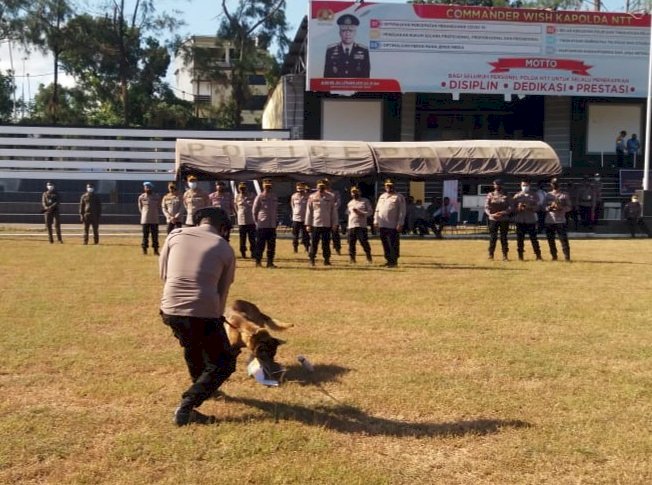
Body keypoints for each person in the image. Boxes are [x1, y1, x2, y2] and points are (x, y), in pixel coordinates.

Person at [159, 207, 236, 426]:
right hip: (203, 311)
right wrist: (217, 316)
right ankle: (188, 406)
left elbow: (163, 273)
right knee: (223, 363)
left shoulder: (175, 236)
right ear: (223, 228)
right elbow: (223, 289)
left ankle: (200, 385)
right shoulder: (224, 247)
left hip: (170, 309)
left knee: (192, 346)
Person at [323, 13, 370, 78]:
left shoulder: (363, 50)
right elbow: (326, 76)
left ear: (355, 33)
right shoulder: (330, 50)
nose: (347, 34)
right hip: (336, 87)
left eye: (351, 31)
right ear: (339, 33)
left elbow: (366, 76)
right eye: (344, 31)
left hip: (357, 87)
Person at [374, 178, 406, 268]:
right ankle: (388, 260)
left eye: (391, 185)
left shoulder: (399, 197)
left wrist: (400, 223)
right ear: (385, 186)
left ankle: (394, 261)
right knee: (385, 243)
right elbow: (377, 209)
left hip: (393, 225)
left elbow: (402, 211)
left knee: (393, 243)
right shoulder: (382, 196)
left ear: (394, 186)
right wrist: (375, 220)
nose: (389, 187)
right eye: (387, 186)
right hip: (382, 224)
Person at [305, 179, 338, 266]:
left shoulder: (331, 197)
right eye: (319, 187)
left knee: (326, 243)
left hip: (326, 223)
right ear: (317, 187)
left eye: (323, 187)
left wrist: (335, 223)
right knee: (314, 243)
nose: (321, 188)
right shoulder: (312, 197)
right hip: (315, 223)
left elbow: (333, 211)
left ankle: (326, 260)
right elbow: (309, 211)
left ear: (326, 187)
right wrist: (308, 224)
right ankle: (312, 259)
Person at [512, 179, 542, 261]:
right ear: (521, 186)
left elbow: (538, 207)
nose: (524, 187)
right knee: (520, 239)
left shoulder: (534, 195)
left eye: (526, 185)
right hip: (520, 220)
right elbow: (512, 209)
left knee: (534, 239)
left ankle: (538, 255)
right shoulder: (517, 196)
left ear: (529, 186)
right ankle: (520, 256)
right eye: (523, 185)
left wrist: (530, 207)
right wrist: (518, 208)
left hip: (530, 220)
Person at [253, 178, 278, 268]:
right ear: (263, 186)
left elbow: (275, 210)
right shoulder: (259, 197)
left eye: (269, 186)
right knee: (260, 244)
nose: (268, 187)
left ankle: (270, 262)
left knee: (271, 245)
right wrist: (257, 222)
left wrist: (276, 220)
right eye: (266, 186)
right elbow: (254, 211)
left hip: (272, 225)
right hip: (262, 224)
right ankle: (258, 262)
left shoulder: (274, 196)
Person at [544, 178, 571, 261]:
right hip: (550, 220)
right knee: (550, 240)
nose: (555, 185)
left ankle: (567, 257)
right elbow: (543, 206)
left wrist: (561, 208)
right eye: (553, 183)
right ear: (551, 185)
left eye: (556, 183)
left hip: (560, 220)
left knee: (563, 240)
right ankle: (554, 256)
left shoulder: (564, 195)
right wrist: (549, 207)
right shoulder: (548, 195)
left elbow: (569, 207)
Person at [484, 179, 511, 261]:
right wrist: (490, 214)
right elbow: (486, 207)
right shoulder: (490, 195)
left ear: (502, 185)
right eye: (495, 184)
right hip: (493, 219)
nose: (497, 186)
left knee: (504, 237)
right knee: (493, 237)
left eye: (499, 184)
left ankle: (505, 255)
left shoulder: (507, 195)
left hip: (504, 219)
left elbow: (511, 207)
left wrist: (504, 212)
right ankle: (491, 254)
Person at [346, 185, 373, 263]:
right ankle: (352, 258)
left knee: (364, 242)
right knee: (351, 243)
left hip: (361, 225)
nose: (354, 194)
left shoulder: (365, 201)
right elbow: (348, 214)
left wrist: (360, 213)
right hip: (351, 226)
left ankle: (368, 256)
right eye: (353, 192)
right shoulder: (350, 203)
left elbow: (370, 212)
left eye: (356, 192)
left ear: (360, 192)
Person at [234, 181, 256, 259]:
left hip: (251, 220)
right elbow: (236, 207)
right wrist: (238, 214)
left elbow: (255, 206)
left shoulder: (252, 195)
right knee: (242, 239)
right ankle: (243, 253)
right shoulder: (237, 197)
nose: (242, 190)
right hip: (241, 221)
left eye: (243, 188)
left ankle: (253, 253)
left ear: (246, 188)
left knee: (252, 238)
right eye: (241, 188)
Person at [138, 181, 161, 255]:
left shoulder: (157, 196)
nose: (147, 189)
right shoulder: (141, 197)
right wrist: (144, 214)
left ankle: (156, 250)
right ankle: (144, 250)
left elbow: (159, 206)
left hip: (154, 219)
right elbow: (140, 208)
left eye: (148, 187)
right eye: (145, 187)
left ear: (151, 188)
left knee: (155, 236)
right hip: (145, 219)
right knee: (145, 236)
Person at [290, 182, 310, 254]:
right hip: (296, 218)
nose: (300, 191)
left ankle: (307, 248)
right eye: (298, 189)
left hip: (305, 219)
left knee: (306, 235)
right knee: (295, 235)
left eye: (301, 189)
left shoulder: (308, 196)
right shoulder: (294, 196)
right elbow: (292, 206)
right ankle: (295, 249)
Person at [323, 179, 342, 255]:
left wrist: (331, 208)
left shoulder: (335, 193)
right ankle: (326, 250)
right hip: (323, 217)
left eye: (327, 184)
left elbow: (338, 203)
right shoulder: (319, 194)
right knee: (325, 234)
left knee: (335, 233)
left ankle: (337, 248)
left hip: (333, 216)